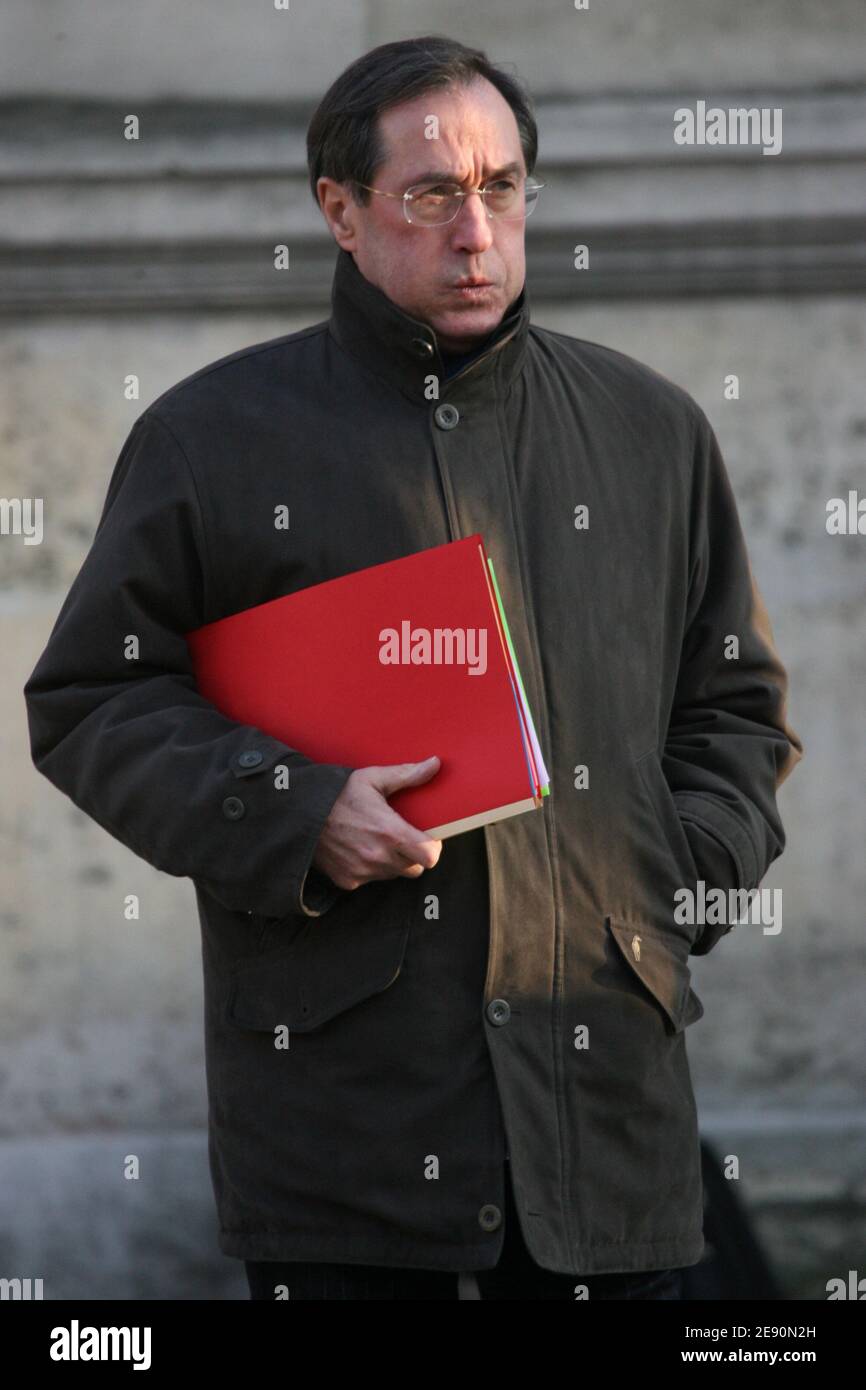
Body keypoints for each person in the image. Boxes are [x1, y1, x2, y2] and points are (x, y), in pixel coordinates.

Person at [23, 35, 803, 1300]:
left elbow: (733, 714)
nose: (475, 230)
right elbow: (92, 698)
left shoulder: (650, 430)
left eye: (501, 188)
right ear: (338, 210)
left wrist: (673, 879)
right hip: (347, 1161)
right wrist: (290, 807)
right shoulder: (212, 439)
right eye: (433, 194)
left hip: (608, 1136)